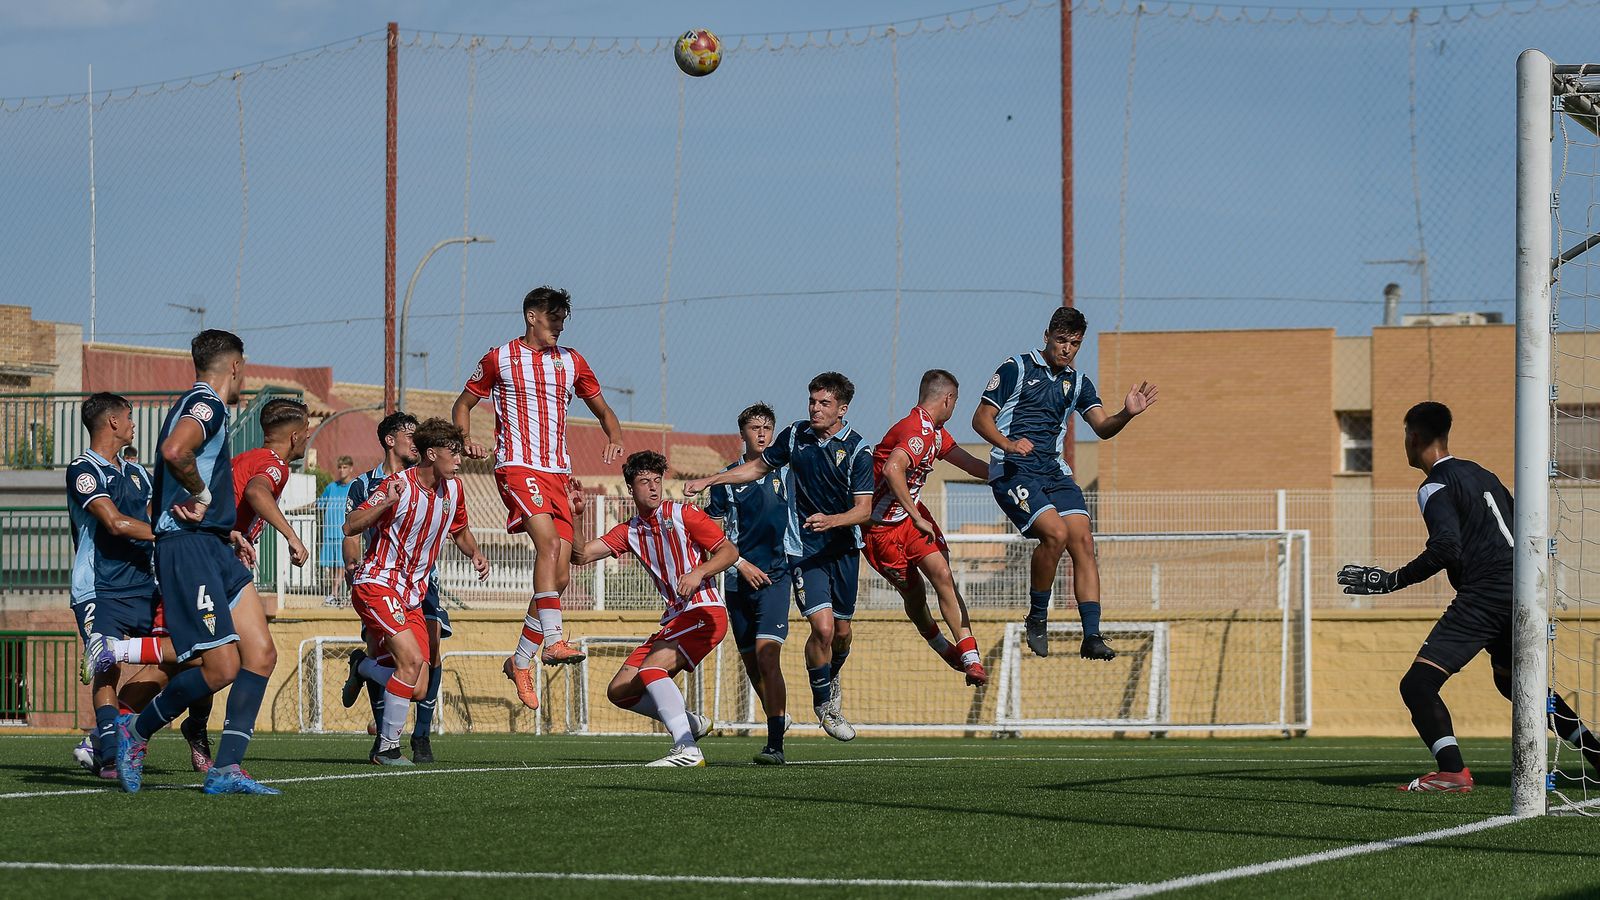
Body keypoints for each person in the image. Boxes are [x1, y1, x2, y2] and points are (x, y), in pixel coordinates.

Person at [1339, 401, 1600, 792]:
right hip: (1525, 588)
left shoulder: (1434, 485)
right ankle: (1597, 756)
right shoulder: (1481, 473)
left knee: (1418, 685)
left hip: (1487, 594)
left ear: (1412, 438)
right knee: (1514, 682)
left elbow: (1447, 548)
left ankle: (1452, 772)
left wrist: (1390, 581)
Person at [116, 329, 280, 795]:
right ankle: (135, 730)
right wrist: (203, 493)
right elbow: (175, 452)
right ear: (235, 365)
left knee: (262, 655)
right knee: (221, 668)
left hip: (210, 545)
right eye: (244, 365)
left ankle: (226, 769)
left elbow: (181, 469)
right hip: (186, 549)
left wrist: (223, 524)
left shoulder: (203, 405)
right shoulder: (205, 404)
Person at [452, 286, 625, 711]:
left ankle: (520, 660)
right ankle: (552, 641)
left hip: (558, 474)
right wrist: (466, 439)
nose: (559, 327)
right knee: (548, 547)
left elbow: (604, 411)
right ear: (532, 316)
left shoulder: (572, 362)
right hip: (517, 467)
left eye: (564, 321)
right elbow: (463, 404)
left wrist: (615, 436)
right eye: (553, 320)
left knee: (561, 574)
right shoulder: (499, 358)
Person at [686, 372, 872, 742]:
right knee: (821, 629)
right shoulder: (794, 436)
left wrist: (833, 519)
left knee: (842, 633)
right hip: (803, 552)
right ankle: (825, 705)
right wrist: (711, 481)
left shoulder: (858, 451)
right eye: (812, 401)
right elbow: (756, 467)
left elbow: (864, 510)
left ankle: (830, 678)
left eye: (824, 403)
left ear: (842, 409)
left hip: (844, 549)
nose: (815, 408)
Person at [973, 306, 1157, 661]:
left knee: (1083, 540)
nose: (1067, 349)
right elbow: (980, 419)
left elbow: (1103, 428)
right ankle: (1038, 616)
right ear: (1046, 337)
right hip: (1013, 470)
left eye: (1075, 343)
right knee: (1055, 533)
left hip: (1054, 472)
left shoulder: (1078, 383)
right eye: (1061, 340)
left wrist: (1127, 414)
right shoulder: (1016, 368)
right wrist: (1009, 444)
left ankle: (1091, 635)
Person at [573, 451, 734, 767]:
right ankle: (690, 722)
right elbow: (580, 556)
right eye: (644, 481)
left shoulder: (684, 514)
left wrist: (699, 572)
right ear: (630, 489)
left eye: (657, 480)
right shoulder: (629, 530)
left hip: (705, 611)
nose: (653, 487)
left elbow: (728, 551)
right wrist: (576, 516)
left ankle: (688, 749)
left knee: (651, 670)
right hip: (675, 619)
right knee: (620, 691)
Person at [343, 418, 490, 765]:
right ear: (430, 454)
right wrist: (383, 503)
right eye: (452, 453)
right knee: (409, 663)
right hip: (378, 583)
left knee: (420, 687)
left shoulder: (454, 490)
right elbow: (351, 525)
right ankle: (387, 748)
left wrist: (475, 552)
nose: (458, 460)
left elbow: (461, 530)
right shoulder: (398, 485)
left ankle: (362, 666)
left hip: (413, 593)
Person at [865, 370, 995, 687]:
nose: (955, 410)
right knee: (915, 596)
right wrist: (916, 514)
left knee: (943, 576)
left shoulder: (935, 432)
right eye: (956, 402)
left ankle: (970, 658)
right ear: (948, 399)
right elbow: (894, 469)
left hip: (912, 520)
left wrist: (1015, 476)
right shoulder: (916, 430)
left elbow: (971, 465)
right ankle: (941, 645)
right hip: (882, 529)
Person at [69, 393, 158, 778]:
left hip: (145, 584)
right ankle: (109, 755)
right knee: (107, 669)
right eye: (129, 416)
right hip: (99, 587)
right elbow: (115, 523)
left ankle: (105, 736)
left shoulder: (138, 473)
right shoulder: (82, 470)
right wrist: (171, 536)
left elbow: (161, 516)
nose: (133, 423)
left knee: (179, 661)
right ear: (113, 423)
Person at [705, 403, 797, 764]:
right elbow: (712, 534)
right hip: (736, 581)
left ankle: (775, 744)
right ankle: (779, 716)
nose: (762, 434)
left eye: (767, 428)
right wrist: (739, 564)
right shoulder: (727, 481)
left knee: (766, 654)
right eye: (754, 428)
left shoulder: (788, 474)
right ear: (741, 434)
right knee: (751, 664)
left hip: (776, 576)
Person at [318, 455, 356, 599]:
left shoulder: (354, 486)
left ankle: (335, 593)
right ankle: (338, 593)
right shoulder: (331, 487)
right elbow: (319, 503)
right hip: (329, 532)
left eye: (345, 467)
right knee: (333, 565)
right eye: (339, 467)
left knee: (343, 565)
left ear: (351, 468)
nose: (342, 471)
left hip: (344, 534)